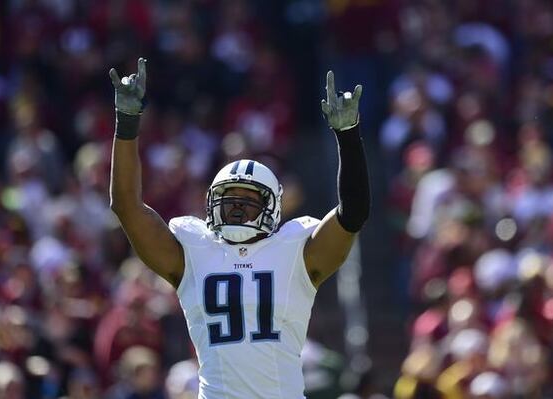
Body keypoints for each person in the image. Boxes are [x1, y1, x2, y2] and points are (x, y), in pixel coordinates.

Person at [109, 57, 370, 398]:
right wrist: (126, 124)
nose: (236, 207)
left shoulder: (296, 250)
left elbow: (353, 213)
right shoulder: (194, 248)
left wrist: (348, 137)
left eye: (248, 200)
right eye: (229, 199)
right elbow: (126, 207)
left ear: (272, 207)